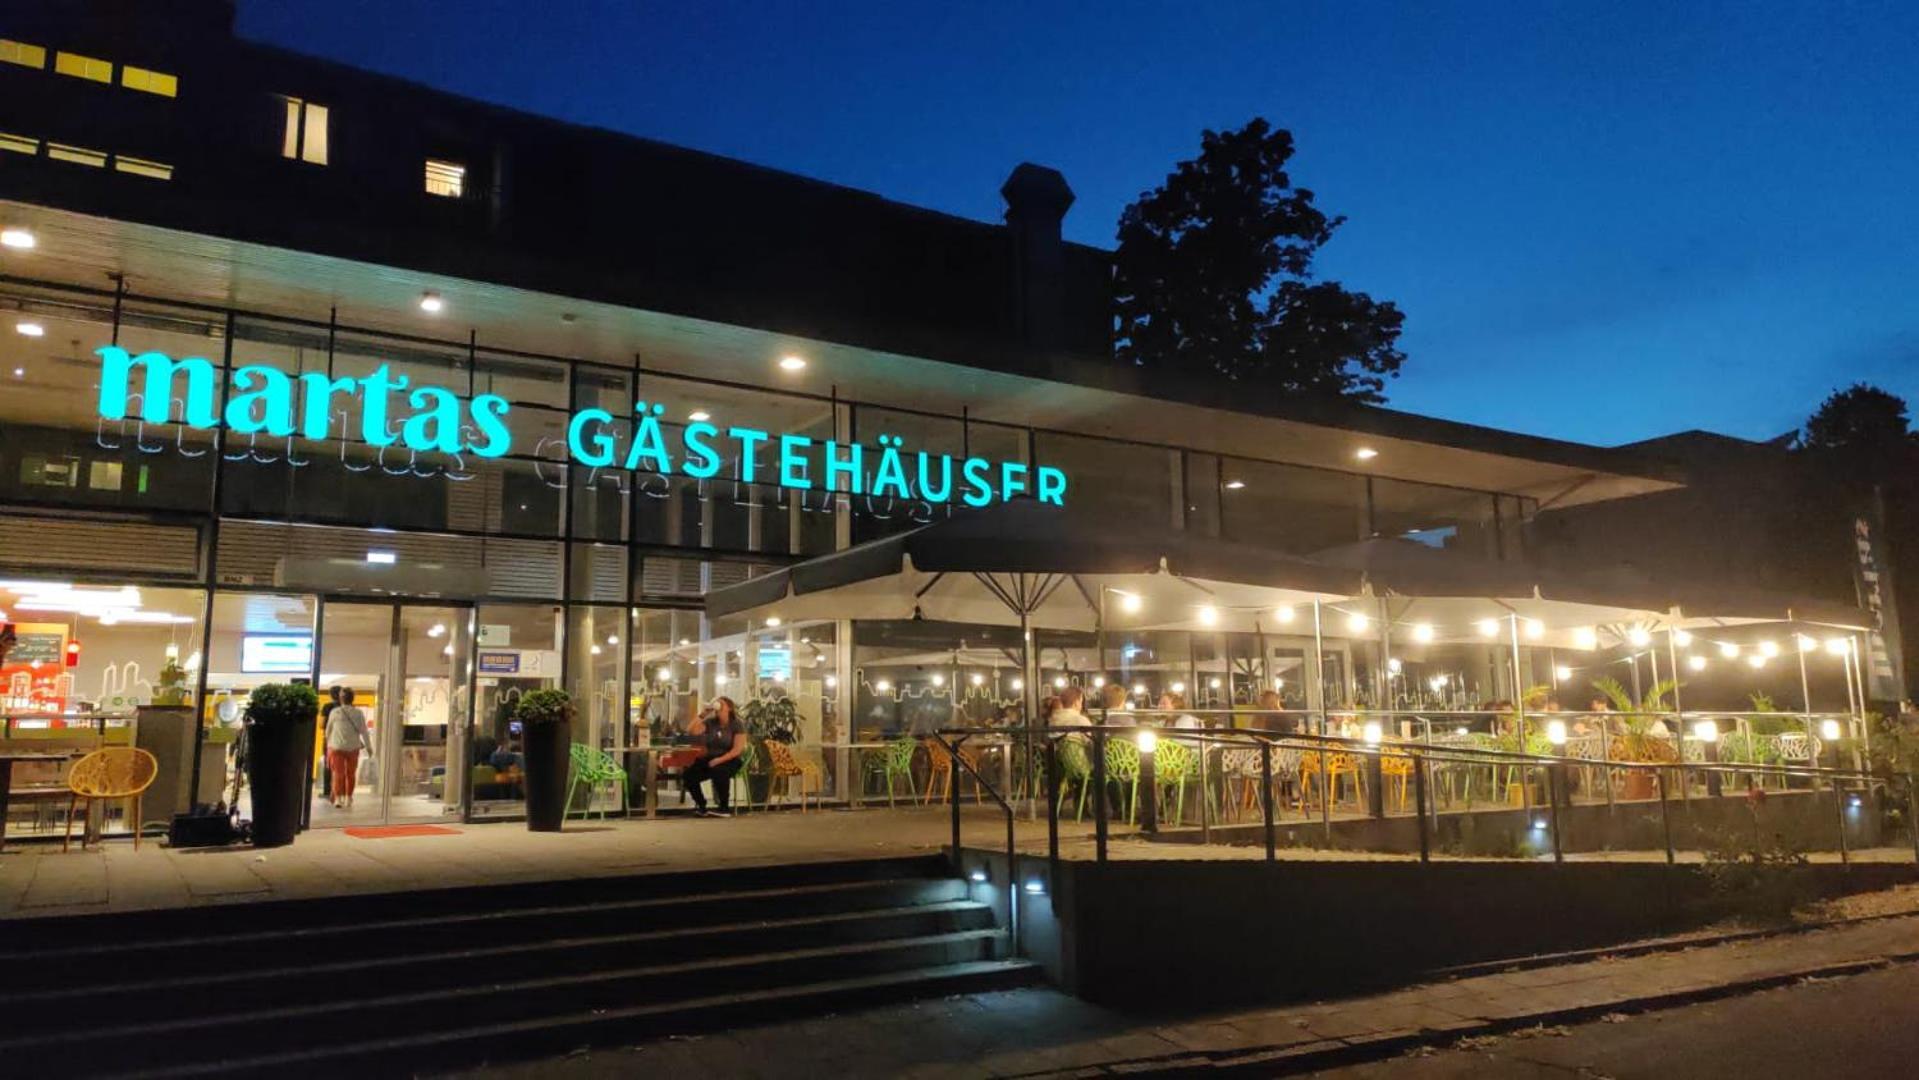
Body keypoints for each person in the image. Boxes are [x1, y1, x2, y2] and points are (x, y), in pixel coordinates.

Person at [684, 695, 747, 817]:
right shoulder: (711, 723)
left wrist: (719, 760)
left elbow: (737, 750)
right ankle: (701, 805)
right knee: (689, 775)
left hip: (730, 759)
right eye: (717, 704)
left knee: (719, 771)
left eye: (722, 704)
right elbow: (691, 730)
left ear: (729, 708)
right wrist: (703, 714)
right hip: (710, 758)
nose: (718, 706)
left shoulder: (737, 724)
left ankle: (724, 808)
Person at [324, 686, 372, 809]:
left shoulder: (335, 712)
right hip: (353, 748)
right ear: (352, 699)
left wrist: (329, 744)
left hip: (336, 747)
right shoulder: (358, 713)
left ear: (341, 699)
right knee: (350, 774)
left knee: (338, 774)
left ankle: (338, 799)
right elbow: (364, 731)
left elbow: (328, 731)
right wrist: (369, 747)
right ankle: (348, 798)